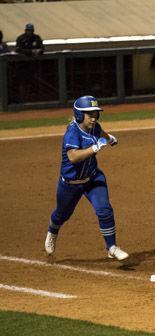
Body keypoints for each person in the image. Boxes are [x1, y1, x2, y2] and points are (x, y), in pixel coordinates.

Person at [44, 96, 128, 261]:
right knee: (62, 215)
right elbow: (73, 157)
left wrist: (109, 138)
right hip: (71, 184)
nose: (93, 117)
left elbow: (100, 133)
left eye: (95, 113)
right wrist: (94, 148)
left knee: (104, 210)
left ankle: (112, 247)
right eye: (89, 114)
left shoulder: (94, 127)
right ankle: (52, 231)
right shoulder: (72, 133)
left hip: (92, 178)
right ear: (79, 115)